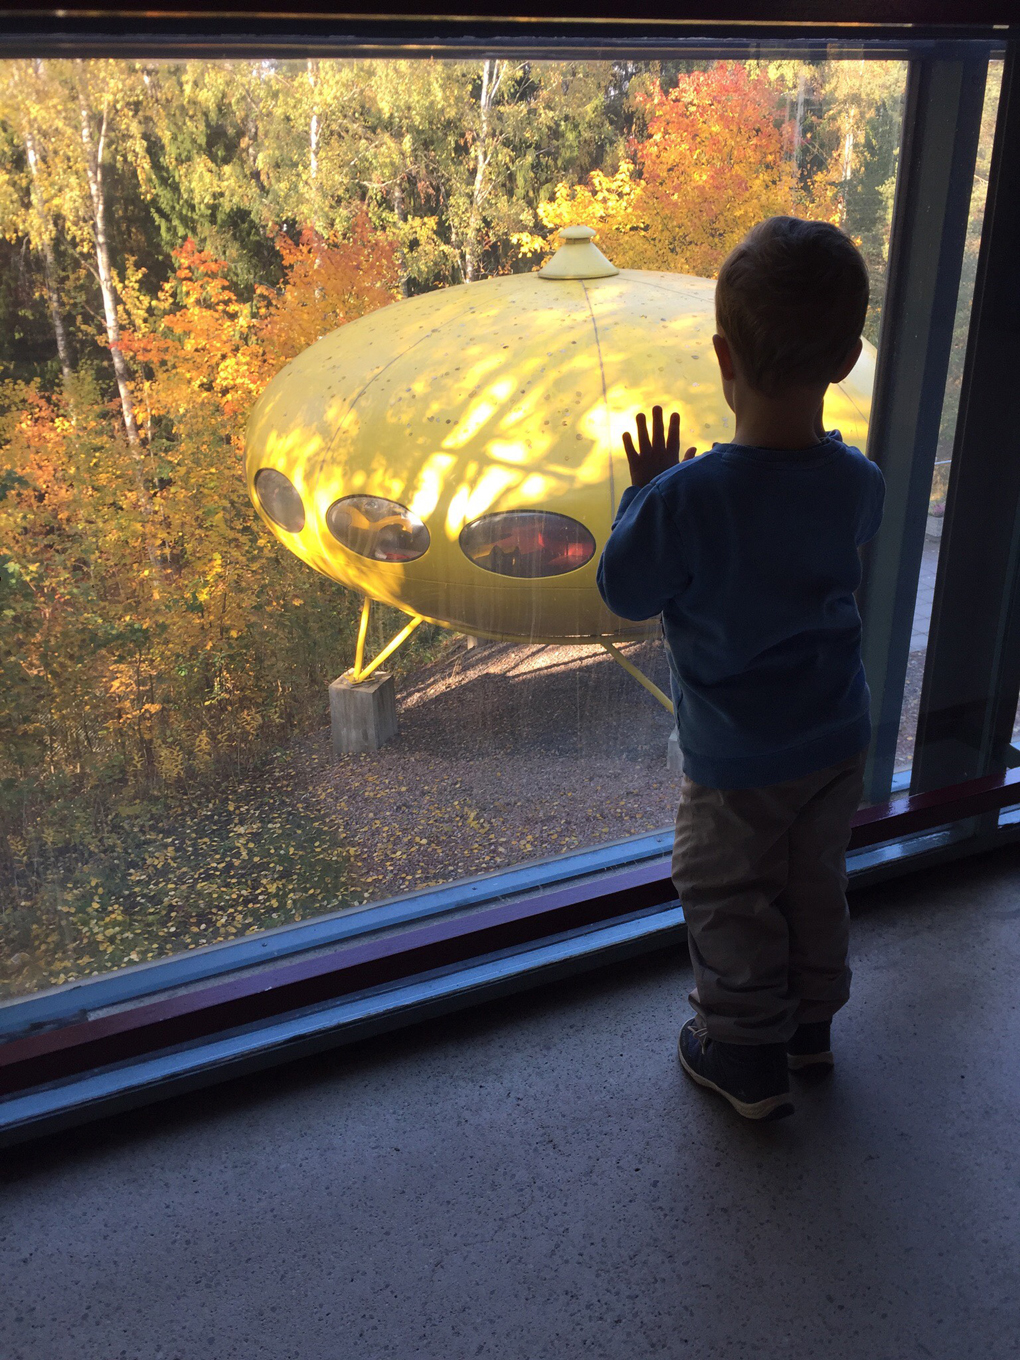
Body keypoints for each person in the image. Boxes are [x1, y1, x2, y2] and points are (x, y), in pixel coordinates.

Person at [597, 216, 885, 1122]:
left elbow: (623, 589)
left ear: (724, 355)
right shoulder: (859, 482)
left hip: (738, 761)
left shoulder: (687, 501)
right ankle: (810, 1029)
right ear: (843, 360)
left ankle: (743, 1053)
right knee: (812, 882)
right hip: (836, 735)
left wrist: (644, 493)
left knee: (725, 893)